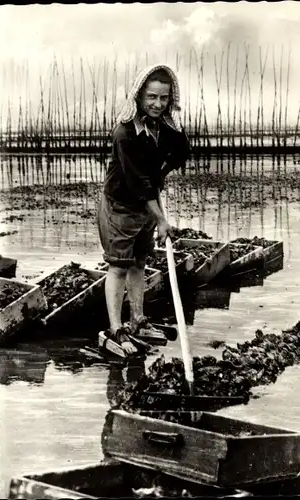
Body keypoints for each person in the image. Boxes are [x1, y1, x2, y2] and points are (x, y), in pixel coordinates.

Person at [97, 63, 190, 355]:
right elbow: (138, 182)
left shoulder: (165, 127)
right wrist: (161, 219)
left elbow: (182, 150)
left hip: (145, 206)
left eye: (163, 98)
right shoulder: (125, 133)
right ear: (138, 96)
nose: (157, 104)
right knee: (119, 266)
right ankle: (116, 328)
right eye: (151, 97)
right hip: (121, 206)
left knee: (139, 262)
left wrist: (161, 172)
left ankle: (138, 320)